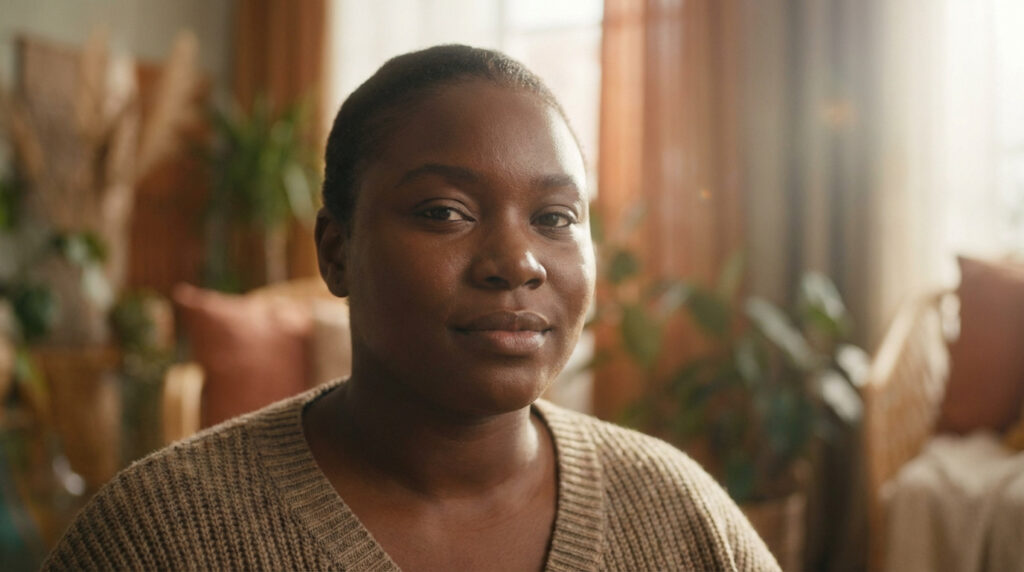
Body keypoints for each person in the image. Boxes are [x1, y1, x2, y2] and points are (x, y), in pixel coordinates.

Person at [44, 45, 779, 571]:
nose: (518, 262)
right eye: (444, 212)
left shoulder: (679, 514)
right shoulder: (160, 537)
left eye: (554, 218)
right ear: (337, 252)